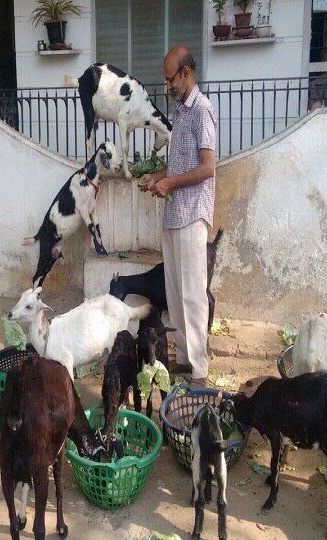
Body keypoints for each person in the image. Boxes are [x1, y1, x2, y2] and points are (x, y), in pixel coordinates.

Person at [140, 45, 217, 388]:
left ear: (186, 73)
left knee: (192, 296)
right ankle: (185, 361)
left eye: (170, 79)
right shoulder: (181, 112)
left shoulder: (202, 110)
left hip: (191, 215)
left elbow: (207, 167)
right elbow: (179, 162)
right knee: (174, 296)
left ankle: (199, 372)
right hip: (173, 215)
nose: (167, 85)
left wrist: (170, 181)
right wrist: (158, 176)